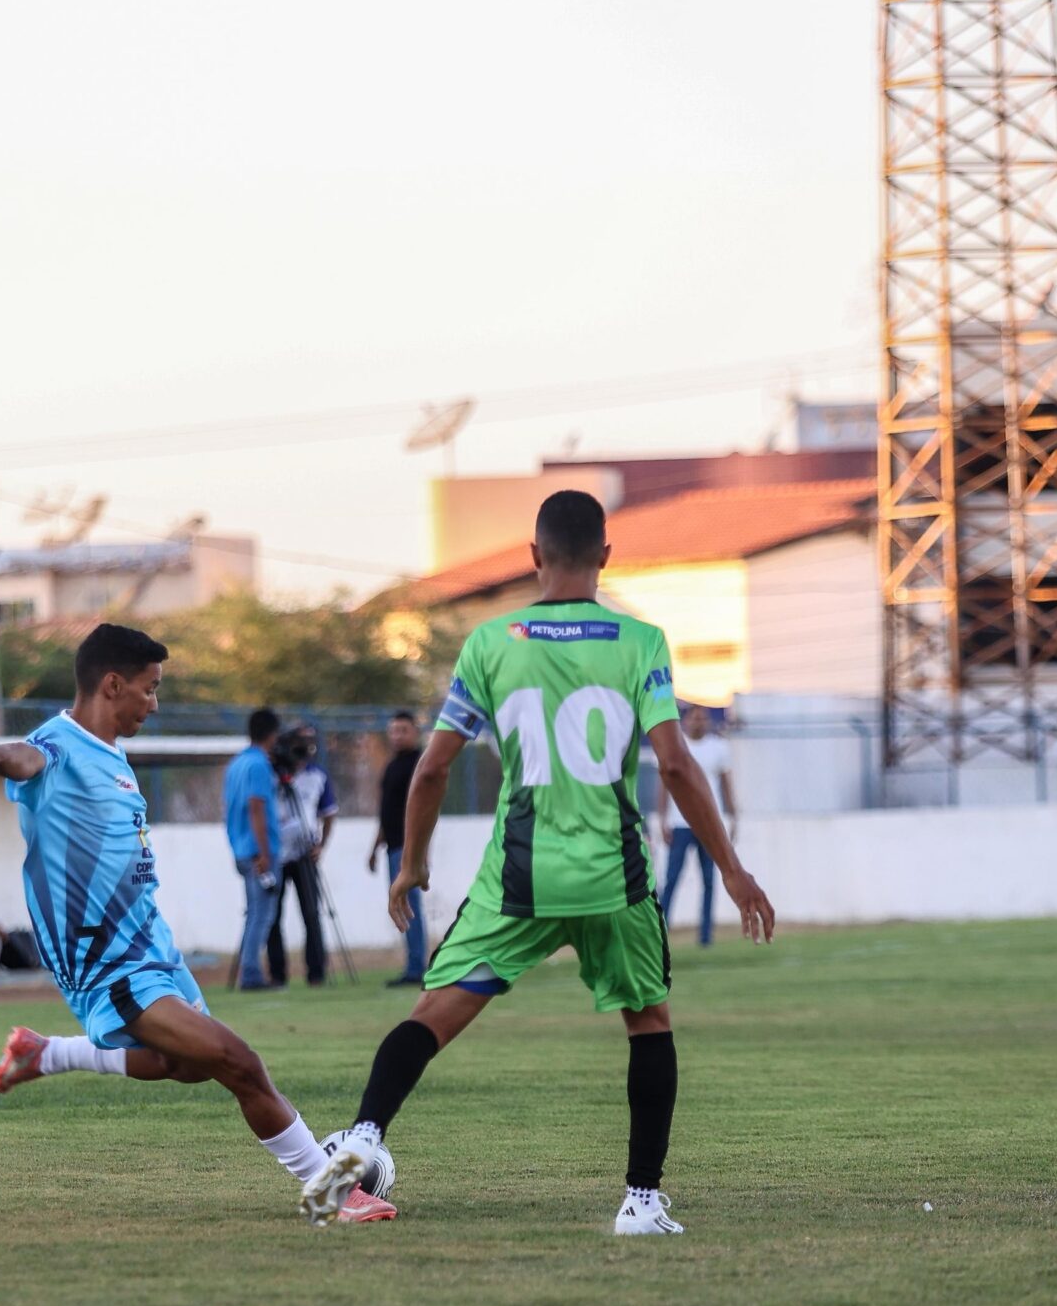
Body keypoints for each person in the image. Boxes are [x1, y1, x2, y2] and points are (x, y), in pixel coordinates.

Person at [302, 490, 776, 1235]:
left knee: (435, 1011)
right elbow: (677, 765)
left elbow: (429, 771)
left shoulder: (492, 641)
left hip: (519, 872)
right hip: (610, 872)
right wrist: (731, 867)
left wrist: (411, 865)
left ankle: (365, 1134)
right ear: (606, 557)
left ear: (533, 556)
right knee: (648, 1020)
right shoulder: (640, 640)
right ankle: (641, 1203)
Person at [0, 623, 389, 1224]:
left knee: (181, 1064)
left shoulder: (112, 754)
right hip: (108, 961)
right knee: (240, 1062)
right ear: (112, 684)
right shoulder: (58, 744)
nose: (154, 703)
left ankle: (44, 1054)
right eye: (149, 690)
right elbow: (27, 760)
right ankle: (328, 1192)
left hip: (152, 947)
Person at [653, 702, 738, 949]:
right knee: (671, 880)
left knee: (710, 881)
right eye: (695, 718)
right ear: (685, 721)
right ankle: (660, 933)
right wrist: (662, 819)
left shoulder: (719, 748)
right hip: (679, 824)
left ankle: (705, 937)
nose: (699, 722)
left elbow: (726, 785)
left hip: (709, 824)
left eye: (703, 718)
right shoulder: (677, 748)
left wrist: (732, 818)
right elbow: (664, 785)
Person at [268, 723, 334, 987]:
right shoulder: (271, 774)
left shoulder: (318, 775)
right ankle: (277, 974)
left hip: (305, 853)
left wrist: (322, 845)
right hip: (276, 854)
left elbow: (329, 812)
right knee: (272, 916)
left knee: (312, 913)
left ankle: (316, 972)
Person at [223, 707, 283, 992]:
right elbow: (256, 807)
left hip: (240, 846)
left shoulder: (237, 764)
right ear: (273, 734)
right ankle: (251, 973)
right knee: (262, 913)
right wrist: (265, 853)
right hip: (258, 850)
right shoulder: (259, 764)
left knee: (255, 911)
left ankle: (251, 971)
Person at [368, 710, 427, 986]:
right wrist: (374, 845)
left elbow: (426, 808)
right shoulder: (392, 766)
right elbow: (386, 811)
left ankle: (417, 967)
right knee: (401, 906)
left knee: (409, 905)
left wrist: (420, 851)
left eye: (403, 730)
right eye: (393, 730)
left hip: (408, 849)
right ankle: (412, 964)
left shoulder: (419, 764)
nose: (397, 735)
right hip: (392, 846)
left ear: (415, 732)